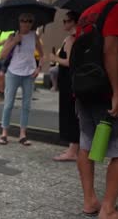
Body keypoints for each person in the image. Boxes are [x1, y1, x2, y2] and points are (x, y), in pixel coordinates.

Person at [74, 0, 118, 219]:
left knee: (86, 143)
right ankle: (108, 208)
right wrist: (117, 92)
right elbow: (111, 51)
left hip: (84, 89)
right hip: (107, 90)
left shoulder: (87, 13)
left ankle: (89, 201)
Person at [0, 13, 43, 146]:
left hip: (29, 74)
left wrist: (39, 68)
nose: (26, 23)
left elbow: (42, 54)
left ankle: (22, 134)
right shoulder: (12, 36)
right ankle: (4, 133)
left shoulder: (34, 36)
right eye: (23, 20)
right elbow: (2, 55)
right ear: (18, 22)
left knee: (26, 105)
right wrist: (14, 42)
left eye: (29, 21)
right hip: (13, 72)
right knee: (8, 104)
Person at [49, 11, 80, 162]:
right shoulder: (76, 38)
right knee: (72, 114)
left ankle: (72, 150)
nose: (64, 24)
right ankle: (73, 148)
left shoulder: (71, 39)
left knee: (69, 115)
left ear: (74, 22)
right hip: (69, 82)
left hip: (68, 83)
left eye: (66, 21)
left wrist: (55, 58)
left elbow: (69, 62)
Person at [0, 30, 13, 101]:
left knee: (3, 75)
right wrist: (2, 42)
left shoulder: (12, 32)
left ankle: (5, 93)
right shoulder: (0, 32)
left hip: (7, 57)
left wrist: (8, 42)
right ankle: (1, 93)